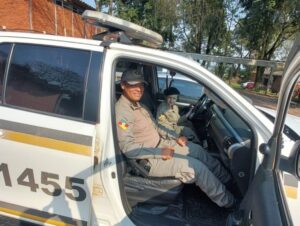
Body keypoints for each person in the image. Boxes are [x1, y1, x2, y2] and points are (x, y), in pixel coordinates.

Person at [115, 69, 236, 208]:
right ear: (123, 85)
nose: (139, 89)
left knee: (197, 150)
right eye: (133, 85)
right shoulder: (122, 113)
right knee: (196, 168)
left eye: (141, 85)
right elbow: (129, 149)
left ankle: (228, 182)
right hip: (148, 160)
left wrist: (177, 137)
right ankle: (229, 203)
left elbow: (157, 127)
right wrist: (160, 153)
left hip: (161, 144)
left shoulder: (140, 106)